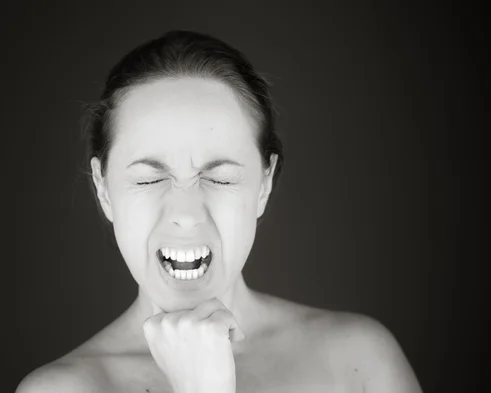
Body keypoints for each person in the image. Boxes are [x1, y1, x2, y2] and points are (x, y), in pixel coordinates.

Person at [16, 30, 422, 393]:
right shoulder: (60, 389)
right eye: (149, 179)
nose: (187, 214)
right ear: (104, 189)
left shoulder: (361, 360)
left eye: (221, 178)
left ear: (263, 184)